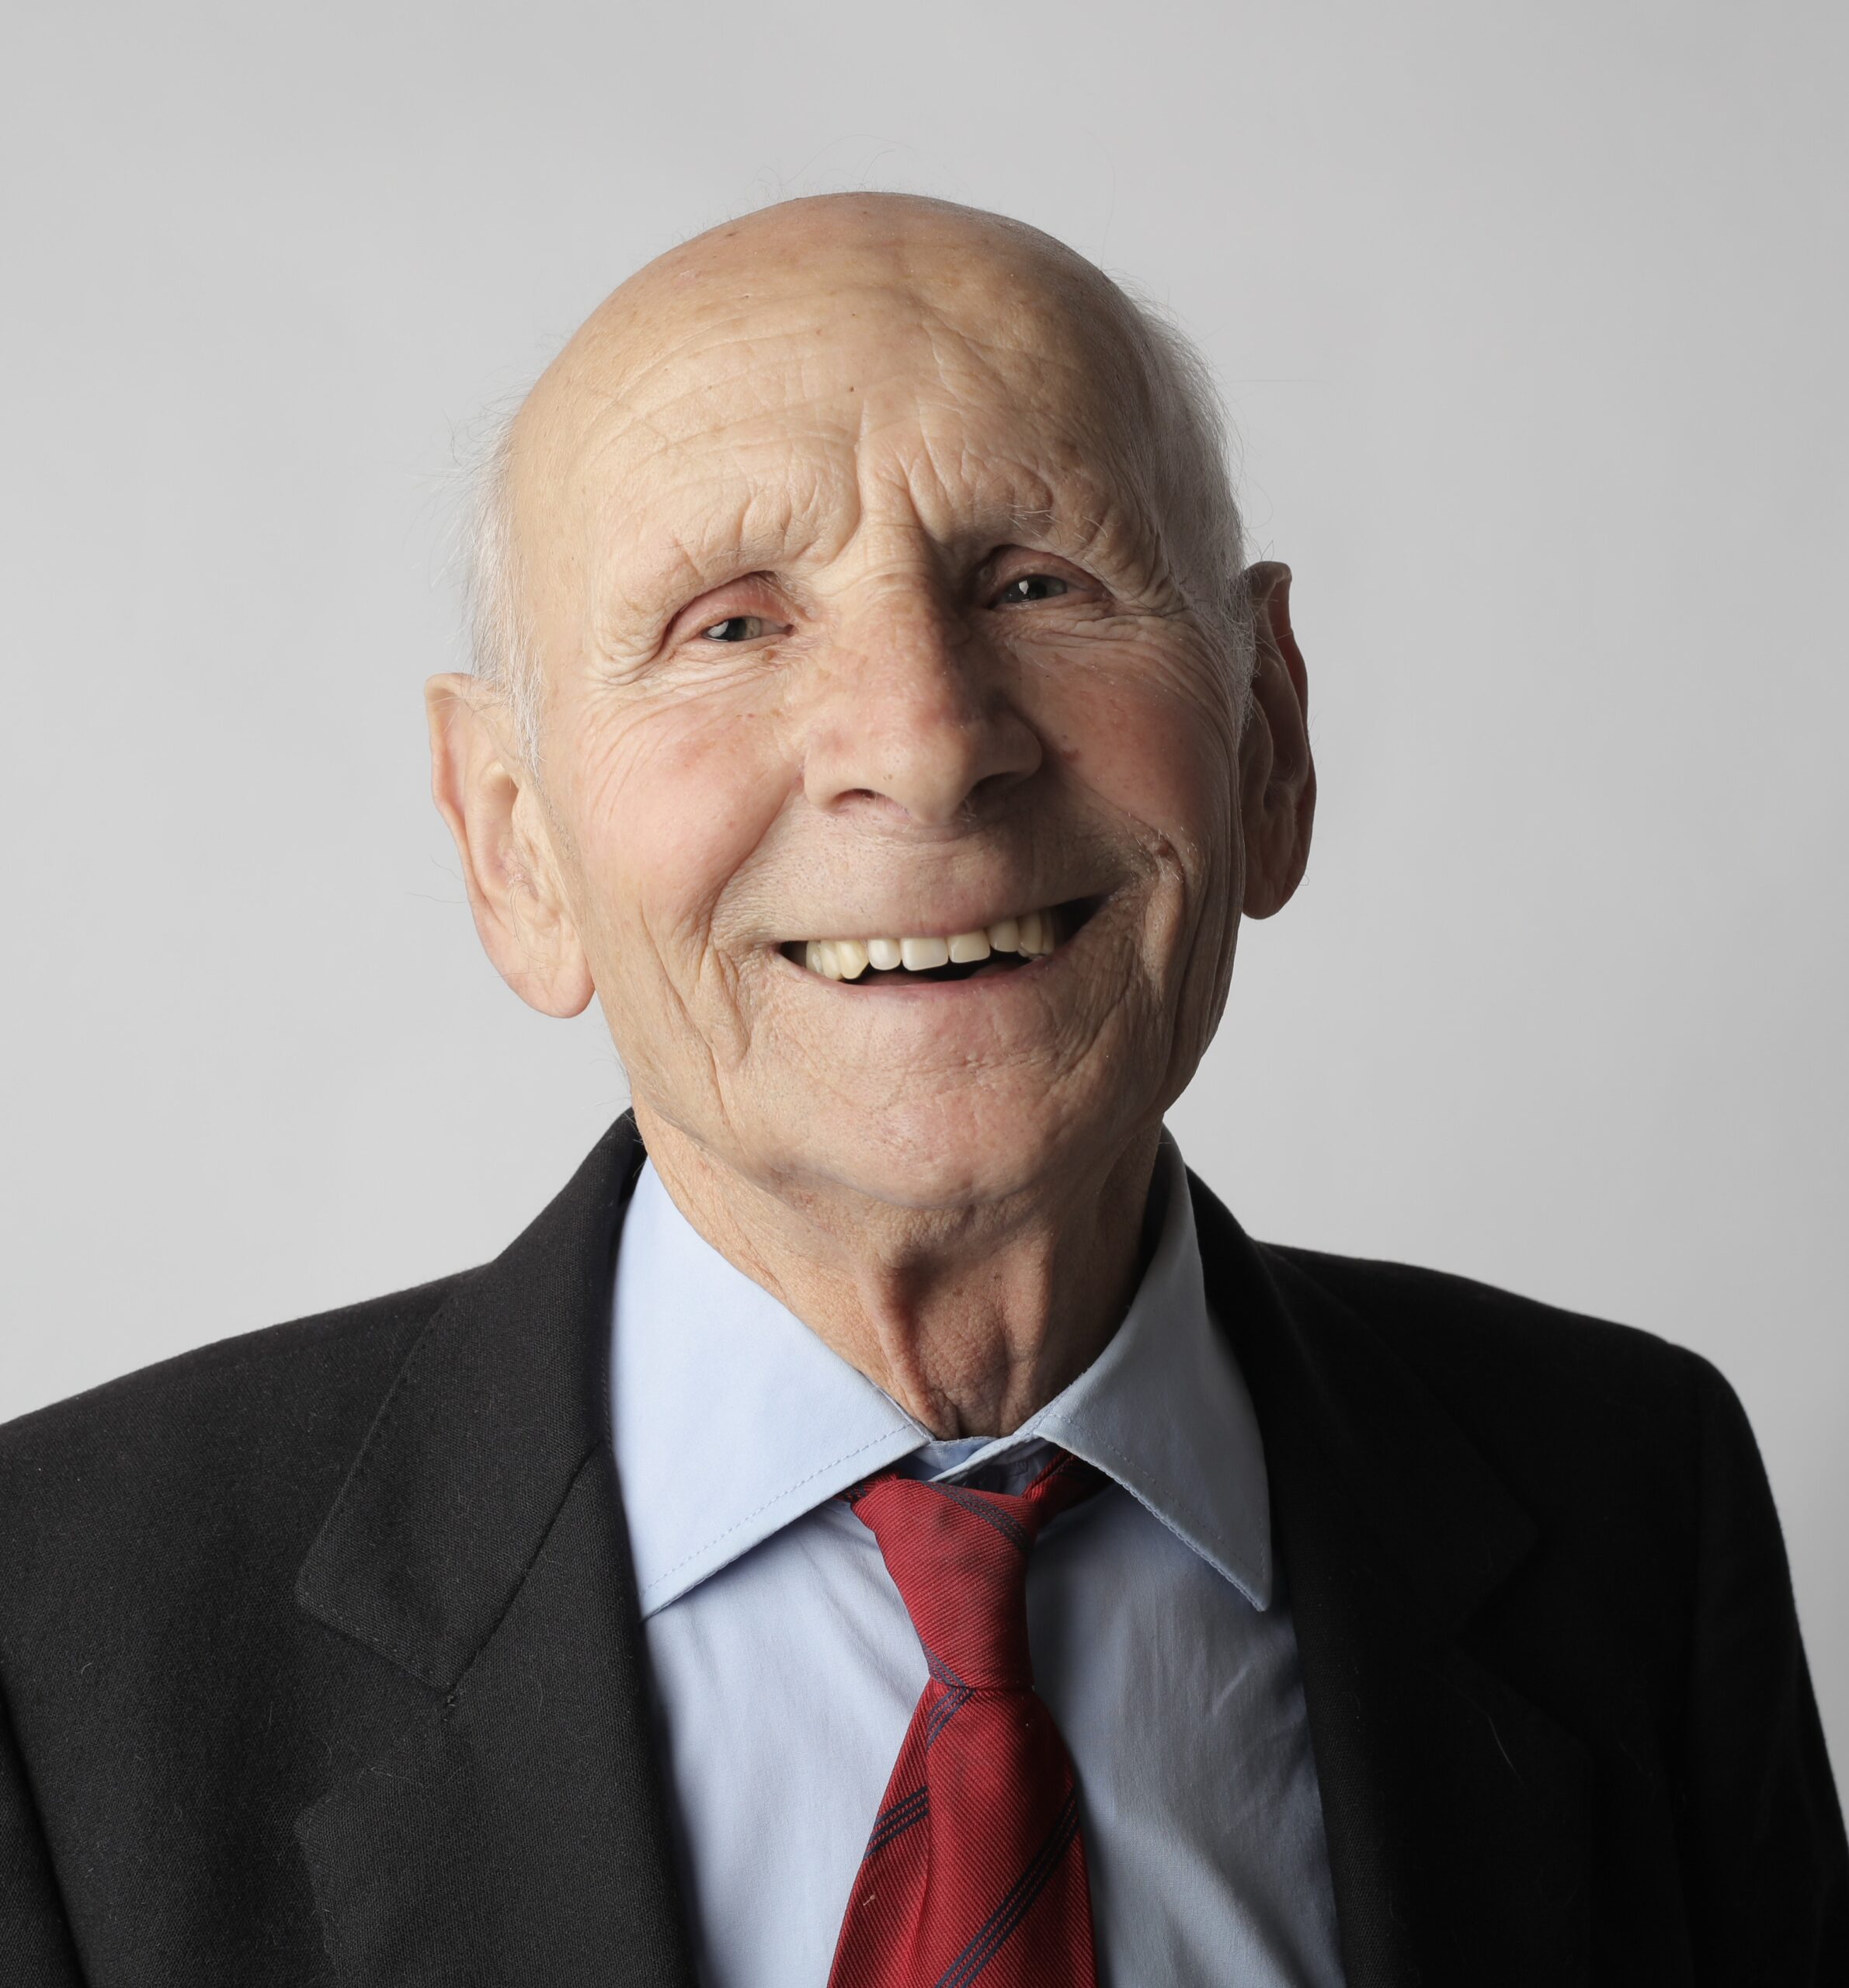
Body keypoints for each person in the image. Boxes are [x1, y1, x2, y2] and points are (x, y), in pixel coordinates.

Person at [1, 194, 1842, 1988]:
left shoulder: (1631, 1504)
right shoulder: (63, 1617)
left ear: (1269, 731)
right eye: (729, 625)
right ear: (513, 842)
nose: (926, 742)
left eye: (1040, 582)